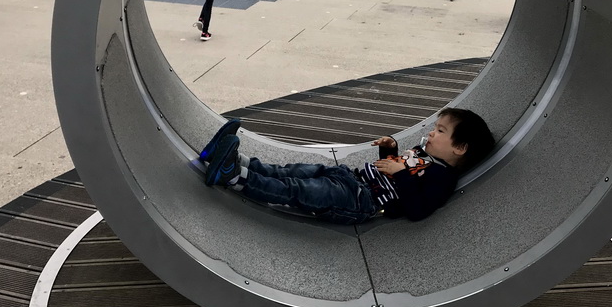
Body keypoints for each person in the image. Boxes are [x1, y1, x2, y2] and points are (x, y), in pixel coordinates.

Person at [202, 108, 495, 224]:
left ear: (460, 148)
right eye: (435, 127)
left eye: (441, 131)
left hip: (358, 201)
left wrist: (402, 174)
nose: (431, 132)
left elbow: (418, 209)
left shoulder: (442, 178)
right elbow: (391, 164)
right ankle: (233, 160)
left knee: (298, 189)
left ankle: (232, 176)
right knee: (294, 170)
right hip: (349, 177)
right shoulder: (425, 153)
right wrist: (389, 148)